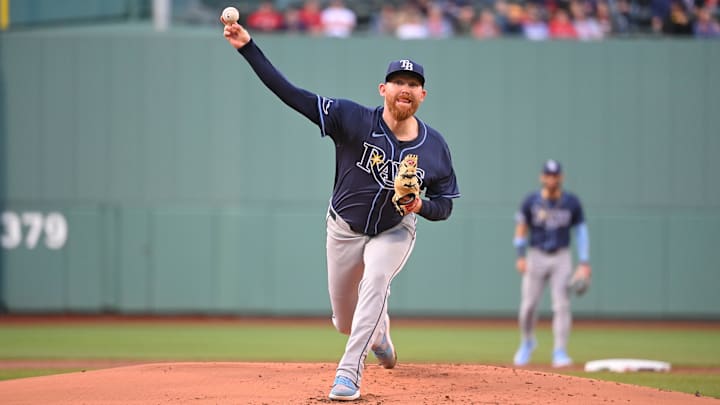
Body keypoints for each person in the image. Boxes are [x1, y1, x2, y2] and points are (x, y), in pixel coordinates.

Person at [221, 17, 460, 402]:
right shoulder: (351, 118)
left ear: (422, 96)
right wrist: (248, 46)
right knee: (344, 322)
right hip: (343, 229)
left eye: (414, 85)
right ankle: (378, 334)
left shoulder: (435, 147)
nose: (406, 88)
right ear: (383, 89)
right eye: (399, 82)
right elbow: (291, 94)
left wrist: (421, 205)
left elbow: (446, 204)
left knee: (377, 278)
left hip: (394, 228)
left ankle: (348, 374)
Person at [512, 159, 591, 368]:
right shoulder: (531, 201)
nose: (552, 179)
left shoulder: (572, 202)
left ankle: (560, 351)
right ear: (542, 177)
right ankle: (527, 342)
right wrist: (520, 255)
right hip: (535, 254)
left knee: (562, 306)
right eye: (548, 175)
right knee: (528, 306)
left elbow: (581, 232)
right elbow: (521, 229)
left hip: (561, 256)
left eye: (555, 175)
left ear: (561, 177)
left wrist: (584, 261)